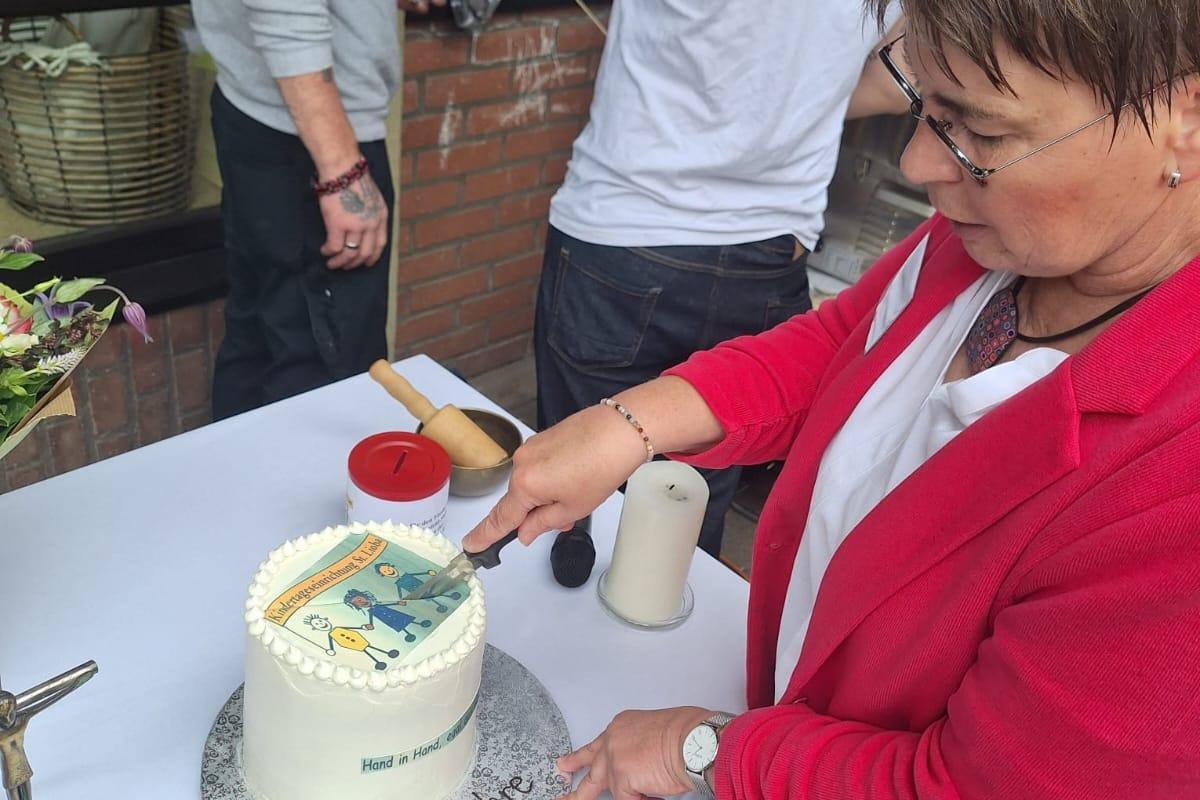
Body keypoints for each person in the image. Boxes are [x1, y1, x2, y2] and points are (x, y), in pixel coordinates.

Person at [465, 2, 1200, 797]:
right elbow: (846, 349)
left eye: (982, 133)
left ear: (1186, 119)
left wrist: (708, 749)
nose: (919, 161)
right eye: (922, 103)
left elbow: (972, 784)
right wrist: (630, 424)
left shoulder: (1174, 484)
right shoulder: (995, 246)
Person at [535, 0, 903, 556]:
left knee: (570, 488)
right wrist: (806, 106)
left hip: (624, 233)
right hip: (767, 253)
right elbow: (906, 76)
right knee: (688, 504)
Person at [192, 0, 399, 420]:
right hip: (314, 136)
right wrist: (341, 171)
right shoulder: (334, 163)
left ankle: (240, 463)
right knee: (326, 372)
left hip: (260, 113)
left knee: (258, 338)